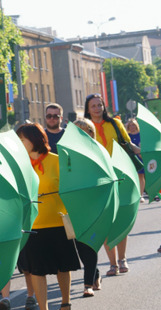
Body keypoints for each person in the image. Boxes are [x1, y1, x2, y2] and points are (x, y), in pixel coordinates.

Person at [16, 123, 80, 310]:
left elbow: (70, 190)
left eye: (22, 139)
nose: (19, 143)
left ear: (34, 139)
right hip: (33, 225)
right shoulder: (20, 166)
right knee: (36, 270)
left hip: (58, 222)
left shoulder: (57, 161)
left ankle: (65, 301)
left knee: (63, 266)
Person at [84, 93, 140, 276]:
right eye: (93, 106)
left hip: (121, 174)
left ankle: (123, 259)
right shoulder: (83, 128)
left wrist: (144, 152)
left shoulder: (115, 124)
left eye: (99, 105)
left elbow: (129, 144)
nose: (97, 108)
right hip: (99, 179)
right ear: (88, 108)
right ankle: (113, 264)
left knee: (121, 220)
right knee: (107, 223)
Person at [71, 118, 103, 296]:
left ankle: (87, 284)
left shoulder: (98, 152)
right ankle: (95, 273)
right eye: (79, 131)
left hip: (93, 204)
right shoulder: (67, 154)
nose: (84, 134)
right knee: (80, 247)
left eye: (87, 131)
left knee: (90, 245)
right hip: (74, 205)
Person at [125, 118, 146, 198]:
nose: (132, 127)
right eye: (130, 125)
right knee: (133, 176)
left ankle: (141, 195)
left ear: (136, 125)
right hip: (131, 158)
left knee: (141, 176)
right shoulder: (127, 136)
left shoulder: (141, 134)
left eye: (133, 125)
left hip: (140, 157)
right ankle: (134, 194)